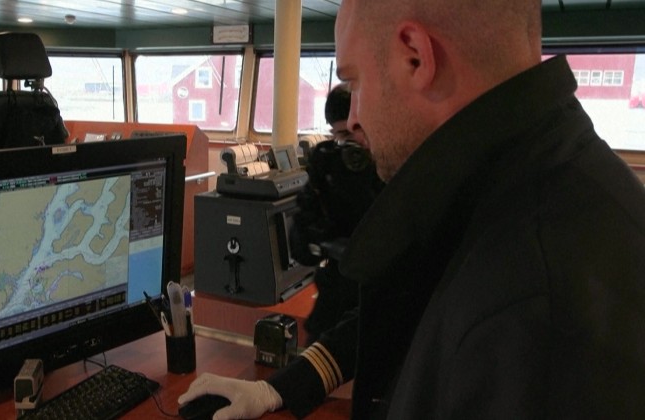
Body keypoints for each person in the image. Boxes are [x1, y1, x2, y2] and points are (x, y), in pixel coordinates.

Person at [179, 0, 645, 418]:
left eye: (354, 82)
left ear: (415, 57)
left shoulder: (538, 303)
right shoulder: (516, 186)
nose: (354, 118)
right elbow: (399, 315)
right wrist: (279, 388)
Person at [290, 83, 383, 343]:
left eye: (357, 132)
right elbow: (300, 247)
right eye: (341, 135)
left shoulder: (390, 168)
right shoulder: (329, 167)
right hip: (335, 299)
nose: (352, 145)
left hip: (378, 305)